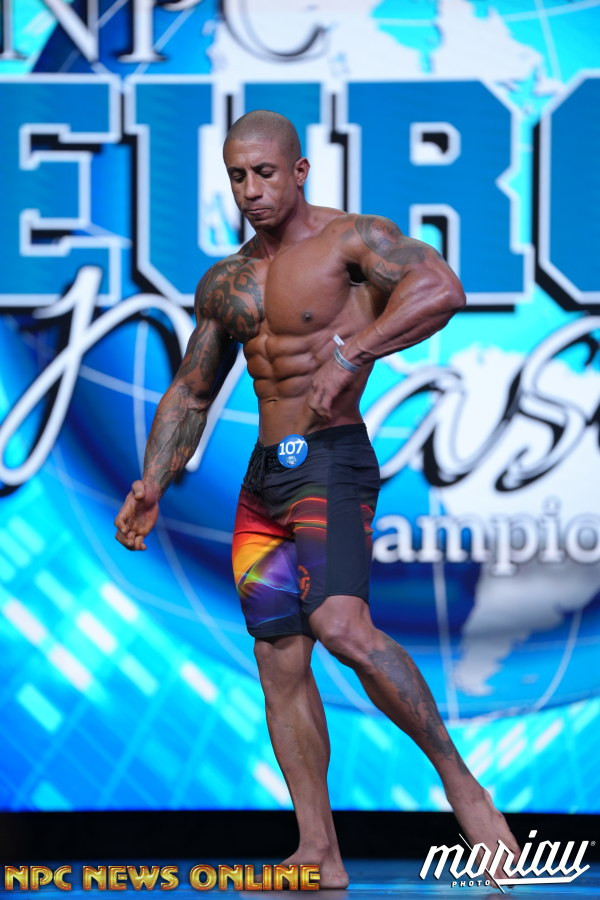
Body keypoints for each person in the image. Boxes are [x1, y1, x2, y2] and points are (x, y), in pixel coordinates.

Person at [115, 110, 521, 889]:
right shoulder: (227, 281)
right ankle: (318, 851)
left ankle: (463, 788)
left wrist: (354, 349)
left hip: (330, 462)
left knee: (341, 625)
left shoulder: (351, 242)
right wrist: (151, 482)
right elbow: (193, 391)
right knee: (278, 658)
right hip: (264, 482)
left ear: (299, 171)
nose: (251, 189)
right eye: (238, 176)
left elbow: (442, 288)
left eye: (265, 173)